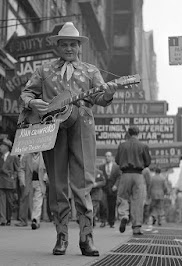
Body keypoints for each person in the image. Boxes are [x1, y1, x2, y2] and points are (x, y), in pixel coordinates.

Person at [19, 22, 118, 256]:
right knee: (57, 183)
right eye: (64, 44)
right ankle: (61, 235)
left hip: (82, 125)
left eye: (73, 44)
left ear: (79, 46)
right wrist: (33, 102)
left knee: (83, 182)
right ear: (58, 47)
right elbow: (26, 93)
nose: (69, 48)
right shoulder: (44, 70)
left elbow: (103, 97)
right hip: (51, 128)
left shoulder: (91, 71)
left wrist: (110, 92)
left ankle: (87, 237)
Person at [115, 125, 151, 235]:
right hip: (138, 175)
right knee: (137, 201)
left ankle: (124, 215)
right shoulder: (143, 146)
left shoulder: (122, 145)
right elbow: (148, 162)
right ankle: (136, 227)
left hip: (125, 174)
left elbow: (117, 161)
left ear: (128, 133)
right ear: (138, 133)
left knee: (123, 197)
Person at [17, 152, 47, 229]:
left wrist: (45, 177)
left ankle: (35, 220)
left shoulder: (44, 156)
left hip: (40, 182)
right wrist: (22, 180)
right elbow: (21, 169)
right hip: (29, 182)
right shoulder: (26, 156)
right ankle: (33, 218)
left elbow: (48, 168)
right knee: (31, 202)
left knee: (38, 201)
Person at [0, 138, 20, 226]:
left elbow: (18, 169)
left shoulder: (14, 157)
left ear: (6, 147)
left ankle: (8, 218)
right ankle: (2, 220)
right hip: (1, 181)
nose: (0, 147)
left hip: (10, 182)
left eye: (2, 146)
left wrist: (14, 177)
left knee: (10, 202)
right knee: (1, 201)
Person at [98, 151, 121, 228]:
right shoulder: (101, 167)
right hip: (104, 188)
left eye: (108, 156)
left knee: (112, 206)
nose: (107, 157)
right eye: (106, 156)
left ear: (111, 157)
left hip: (113, 189)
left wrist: (116, 185)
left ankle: (111, 222)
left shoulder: (116, 167)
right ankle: (103, 220)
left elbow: (119, 177)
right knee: (103, 205)